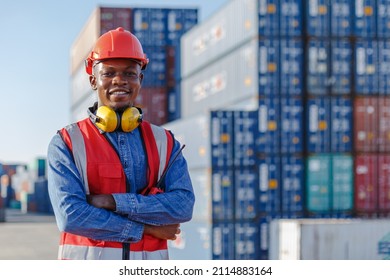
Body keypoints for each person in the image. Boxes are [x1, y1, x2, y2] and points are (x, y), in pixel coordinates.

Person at [47, 27, 195, 260]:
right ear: (93, 80)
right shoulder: (67, 143)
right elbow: (71, 216)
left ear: (140, 79)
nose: (119, 81)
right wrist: (147, 228)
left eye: (129, 73)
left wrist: (112, 202)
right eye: (108, 73)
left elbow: (183, 205)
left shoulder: (165, 143)